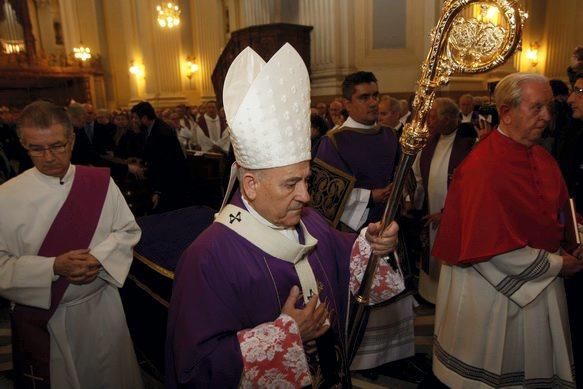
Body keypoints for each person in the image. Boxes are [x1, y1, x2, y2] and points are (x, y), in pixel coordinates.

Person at [166, 43, 403, 388]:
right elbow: (196, 368)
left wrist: (374, 241)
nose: (306, 196)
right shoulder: (206, 258)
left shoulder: (309, 219)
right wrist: (285, 337)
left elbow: (347, 254)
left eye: (306, 180)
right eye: (291, 184)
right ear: (250, 184)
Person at [431, 73, 583, 388]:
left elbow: (557, 211)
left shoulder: (542, 156)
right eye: (537, 107)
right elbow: (490, 247)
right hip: (495, 293)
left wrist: (575, 238)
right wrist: (558, 264)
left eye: (549, 108)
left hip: (543, 281)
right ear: (507, 112)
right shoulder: (482, 166)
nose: (546, 117)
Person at [0, 101, 143, 388]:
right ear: (23, 144)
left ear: (72, 139)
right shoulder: (6, 197)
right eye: (36, 149)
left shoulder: (99, 183)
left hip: (103, 310)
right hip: (47, 320)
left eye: (57, 145)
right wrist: (53, 267)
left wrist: (98, 259)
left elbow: (128, 230)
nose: (49, 156)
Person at [315, 71, 415, 373]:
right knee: (365, 299)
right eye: (364, 97)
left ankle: (396, 357)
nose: (373, 102)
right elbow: (323, 199)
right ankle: (363, 360)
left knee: (395, 297)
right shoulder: (333, 142)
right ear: (347, 103)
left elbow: (403, 173)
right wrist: (370, 196)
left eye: (375, 95)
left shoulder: (388, 135)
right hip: (356, 235)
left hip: (391, 229)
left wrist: (403, 190)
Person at [412, 98, 475, 304]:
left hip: (456, 215)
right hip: (430, 211)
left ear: (447, 119)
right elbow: (418, 176)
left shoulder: (469, 141)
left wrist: (448, 212)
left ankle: (450, 297)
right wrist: (412, 200)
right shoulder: (430, 141)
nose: (428, 121)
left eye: (432, 117)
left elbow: (472, 188)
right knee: (431, 254)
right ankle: (430, 295)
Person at [131, 101, 191, 213]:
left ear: (144, 118)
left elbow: (166, 165)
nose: (133, 121)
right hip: (160, 182)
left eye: (135, 118)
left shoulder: (163, 133)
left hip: (170, 184)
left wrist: (158, 191)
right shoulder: (148, 129)